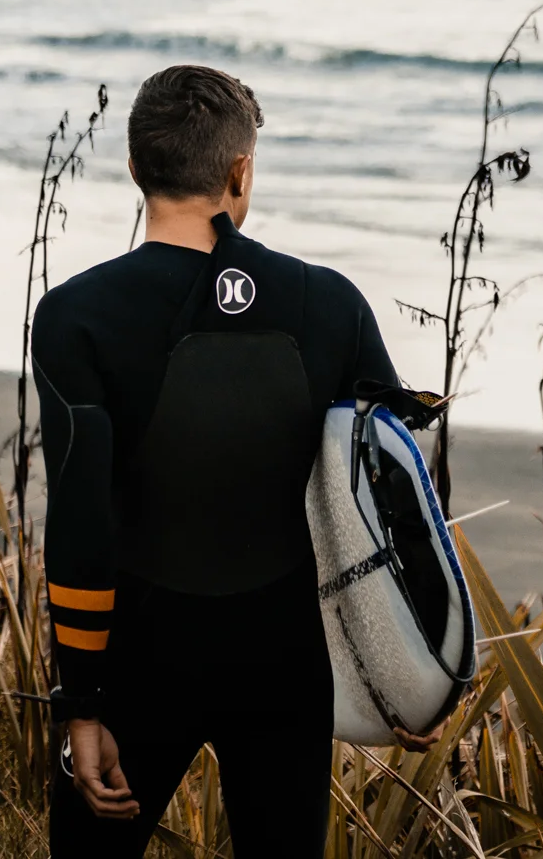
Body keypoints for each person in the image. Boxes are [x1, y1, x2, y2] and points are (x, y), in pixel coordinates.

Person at [35, 64, 410, 857]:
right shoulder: (330, 305)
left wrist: (83, 704)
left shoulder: (76, 317)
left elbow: (80, 518)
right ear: (240, 171)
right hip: (281, 661)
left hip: (141, 657)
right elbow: (390, 497)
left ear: (135, 168)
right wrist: (408, 673)